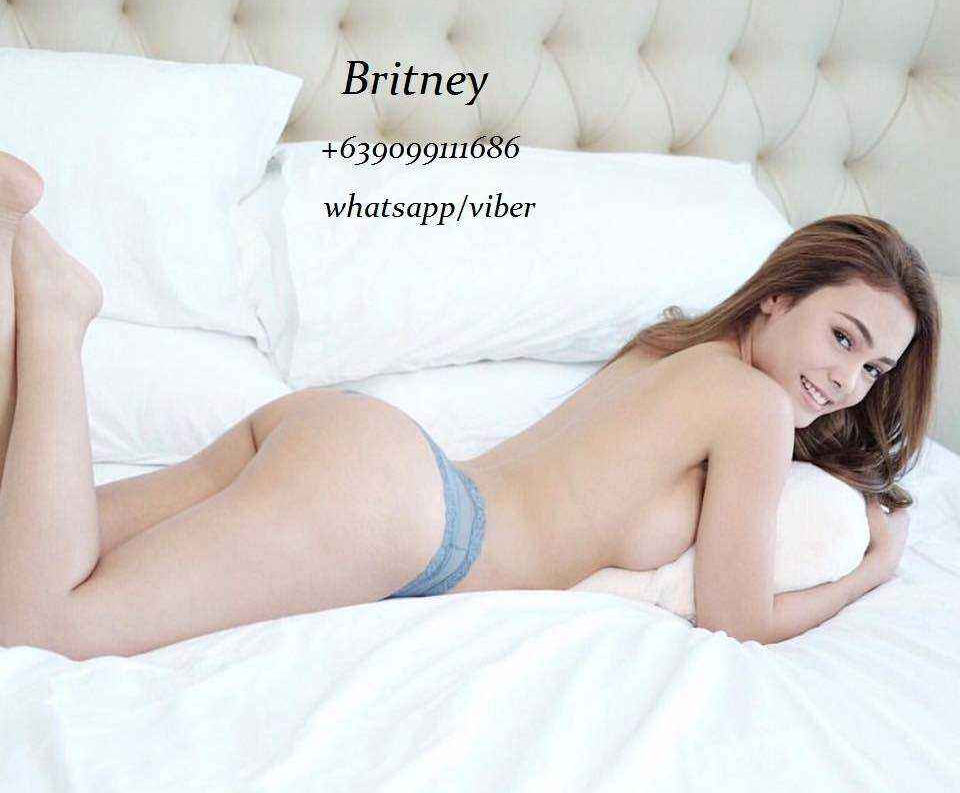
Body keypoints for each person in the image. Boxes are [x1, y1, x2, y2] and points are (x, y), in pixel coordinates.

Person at [0, 151, 938, 660]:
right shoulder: (753, 408)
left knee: (41, 547)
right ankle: (53, 313)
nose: (847, 381)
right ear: (778, 297)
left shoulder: (667, 345)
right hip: (407, 516)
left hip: (352, 445)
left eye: (874, 368)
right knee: (42, 630)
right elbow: (737, 620)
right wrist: (873, 571)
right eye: (842, 336)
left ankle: (19, 247)